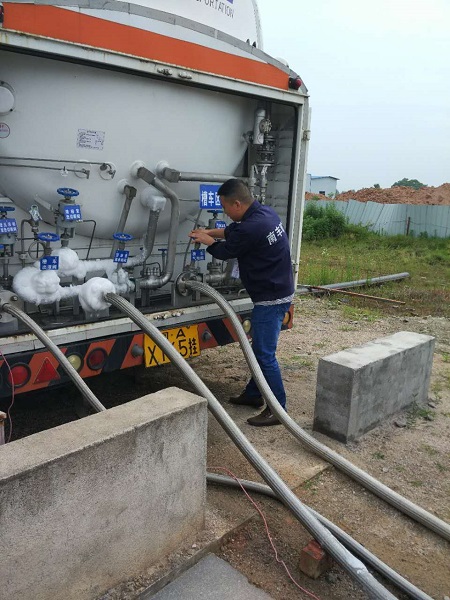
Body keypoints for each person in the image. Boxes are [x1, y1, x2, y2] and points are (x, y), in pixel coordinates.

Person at [189, 178, 294, 427]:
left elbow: (226, 250)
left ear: (237, 203)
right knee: (260, 351)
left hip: (270, 298)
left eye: (225, 207)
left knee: (264, 355)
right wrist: (209, 232)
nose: (224, 211)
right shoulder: (264, 214)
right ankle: (254, 393)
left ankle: (278, 410)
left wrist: (208, 242)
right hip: (278, 290)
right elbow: (232, 231)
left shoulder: (251, 227)